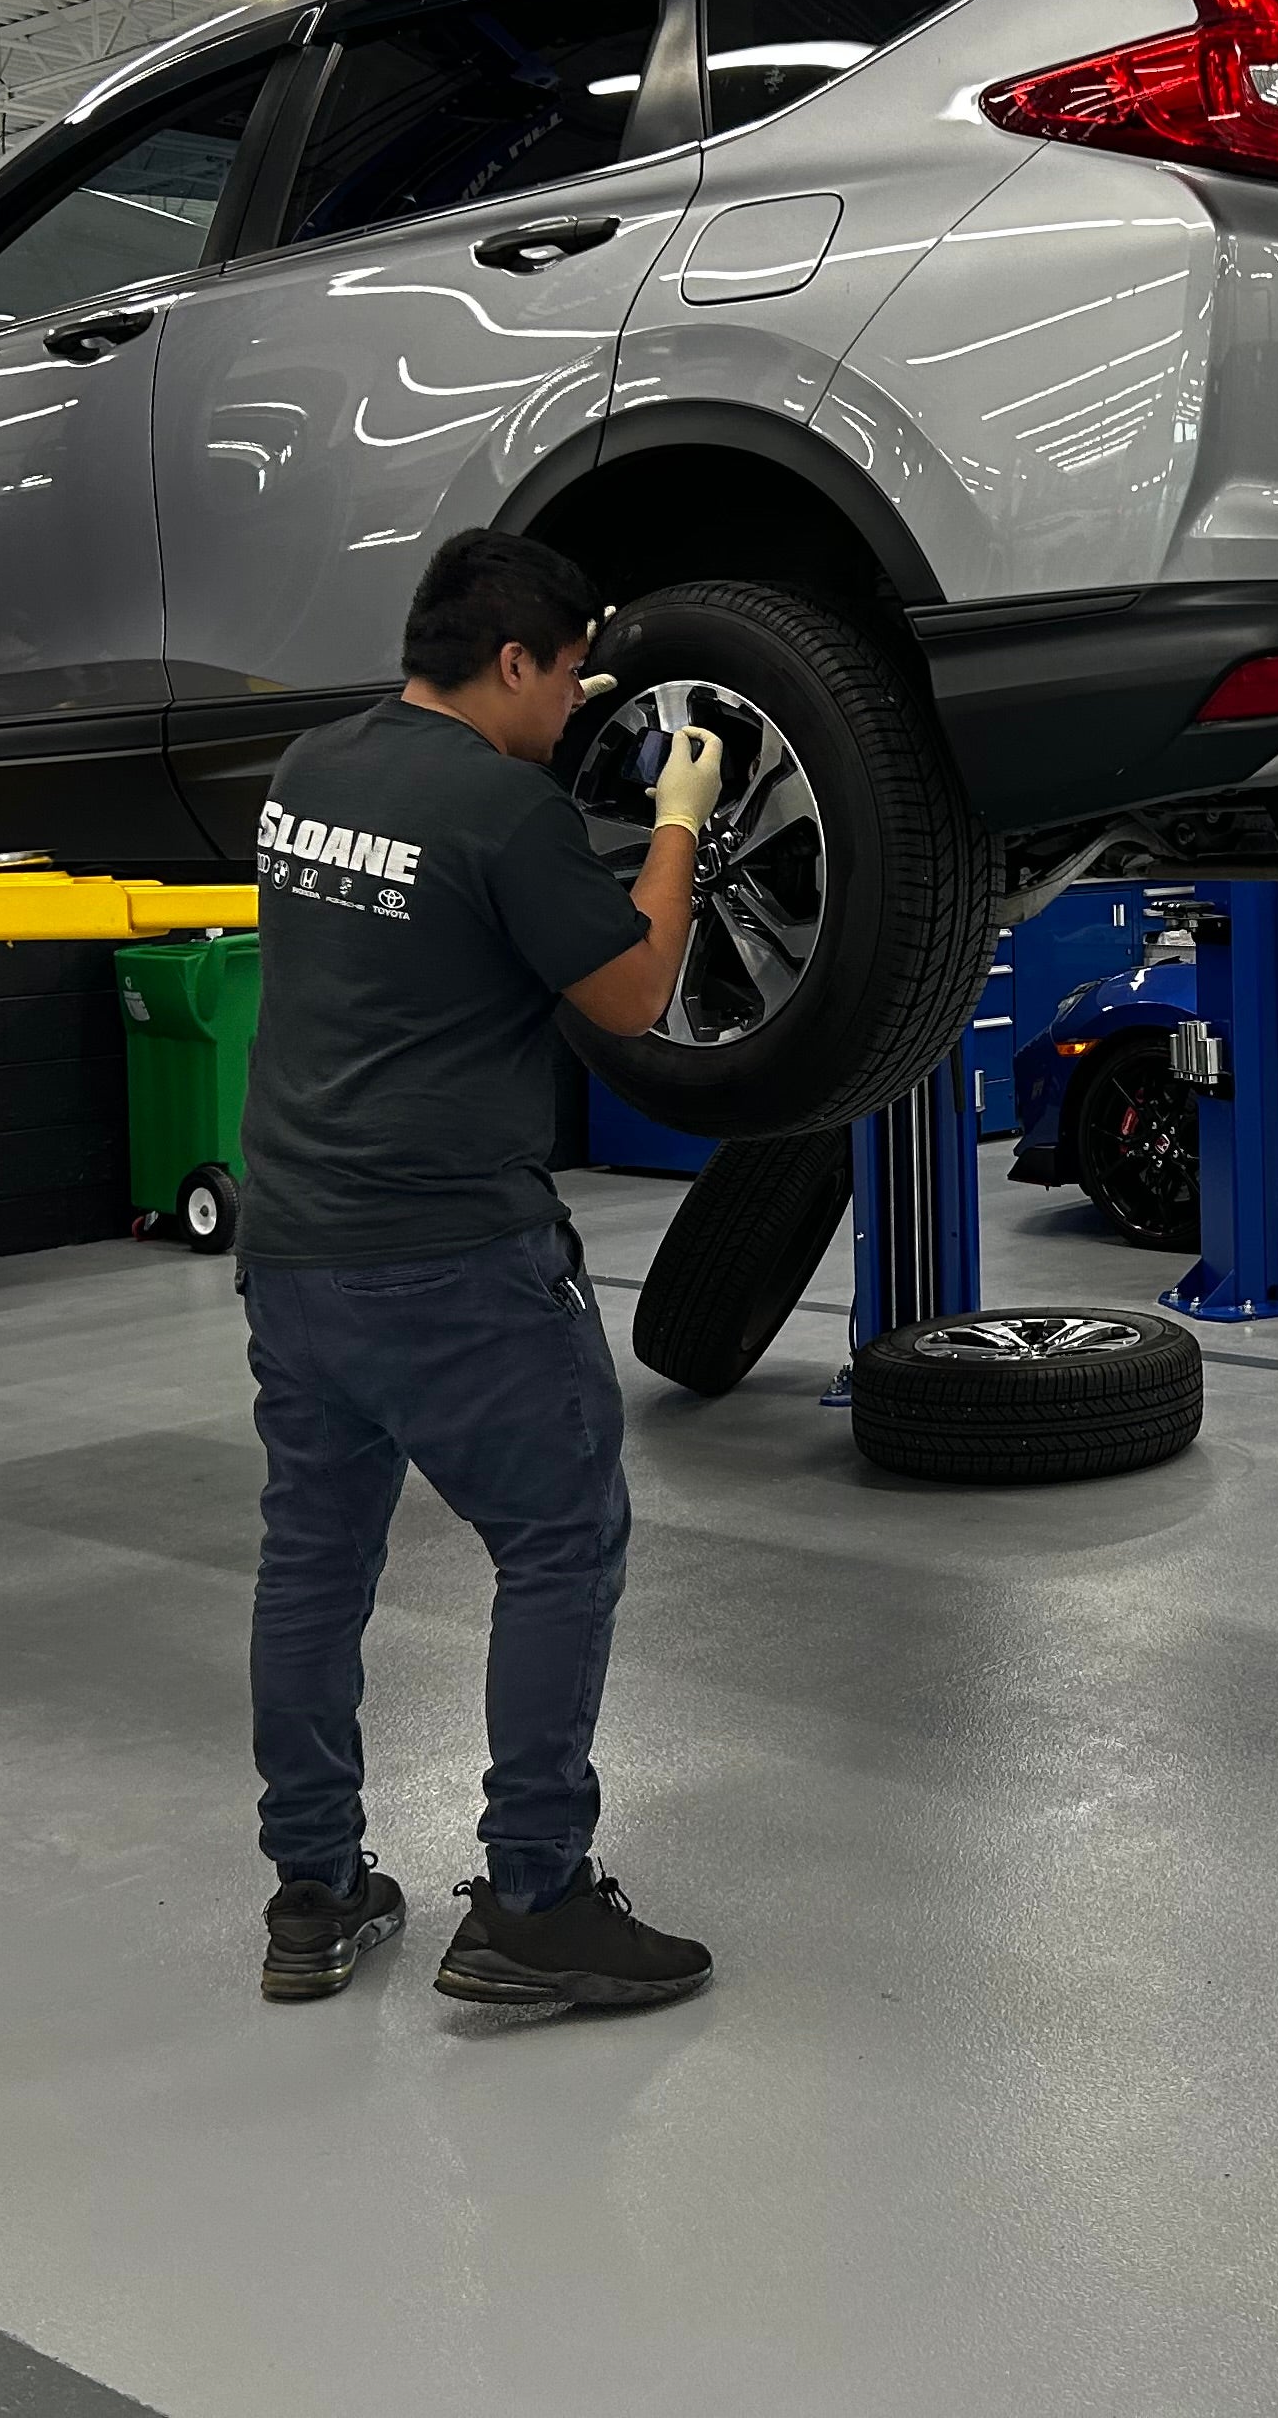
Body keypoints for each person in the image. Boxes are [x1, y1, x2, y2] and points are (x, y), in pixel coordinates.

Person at [237, 526, 727, 2011]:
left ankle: (313, 1895)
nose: (576, 702)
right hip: (451, 1257)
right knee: (561, 1542)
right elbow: (637, 992)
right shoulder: (502, 813)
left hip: (294, 1250)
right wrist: (682, 820)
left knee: (314, 1572)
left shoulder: (307, 773)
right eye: (571, 674)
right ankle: (534, 1896)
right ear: (513, 659)